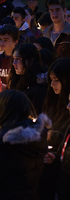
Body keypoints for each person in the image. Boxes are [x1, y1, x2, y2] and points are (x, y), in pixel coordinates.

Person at [41, 58, 70, 200]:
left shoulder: (68, 109)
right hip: (49, 168)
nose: (52, 84)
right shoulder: (51, 101)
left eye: (57, 80)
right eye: (51, 80)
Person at [9, 43, 47, 114]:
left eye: (18, 59)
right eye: (13, 59)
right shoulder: (16, 80)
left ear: (30, 61)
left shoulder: (39, 87)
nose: (14, 63)